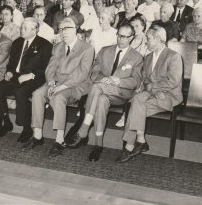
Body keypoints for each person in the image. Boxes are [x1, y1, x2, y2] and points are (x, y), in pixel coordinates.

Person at [66, 24, 144, 162]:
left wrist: (117, 80)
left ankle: (84, 128)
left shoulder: (137, 57)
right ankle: (98, 145)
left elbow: (135, 82)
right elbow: (94, 72)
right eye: (119, 35)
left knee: (96, 88)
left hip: (121, 93)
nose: (120, 39)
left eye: (125, 37)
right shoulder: (105, 51)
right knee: (101, 100)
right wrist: (105, 80)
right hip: (102, 90)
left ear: (131, 38)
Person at [115, 26, 183, 163]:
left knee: (136, 104)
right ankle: (139, 140)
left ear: (159, 39)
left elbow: (173, 81)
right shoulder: (148, 57)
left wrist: (156, 88)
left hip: (169, 95)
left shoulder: (173, 56)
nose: (146, 41)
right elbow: (145, 79)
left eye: (149, 38)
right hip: (152, 93)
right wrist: (152, 89)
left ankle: (130, 146)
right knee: (137, 102)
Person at [29, 18, 95, 157]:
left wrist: (61, 87)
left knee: (58, 97)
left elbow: (81, 74)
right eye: (61, 29)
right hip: (56, 82)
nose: (63, 32)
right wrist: (52, 83)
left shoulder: (87, 48)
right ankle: (37, 135)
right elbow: (50, 68)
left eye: (67, 29)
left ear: (75, 29)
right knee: (37, 94)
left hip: (76, 85)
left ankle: (59, 140)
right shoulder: (58, 46)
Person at [0, 18, 52, 139]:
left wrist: (30, 75)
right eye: (21, 27)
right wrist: (9, 72)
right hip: (16, 77)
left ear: (34, 30)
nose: (21, 30)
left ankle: (26, 128)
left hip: (33, 78)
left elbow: (46, 69)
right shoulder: (17, 42)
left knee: (21, 92)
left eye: (25, 28)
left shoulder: (45, 45)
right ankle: (5, 121)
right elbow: (11, 63)